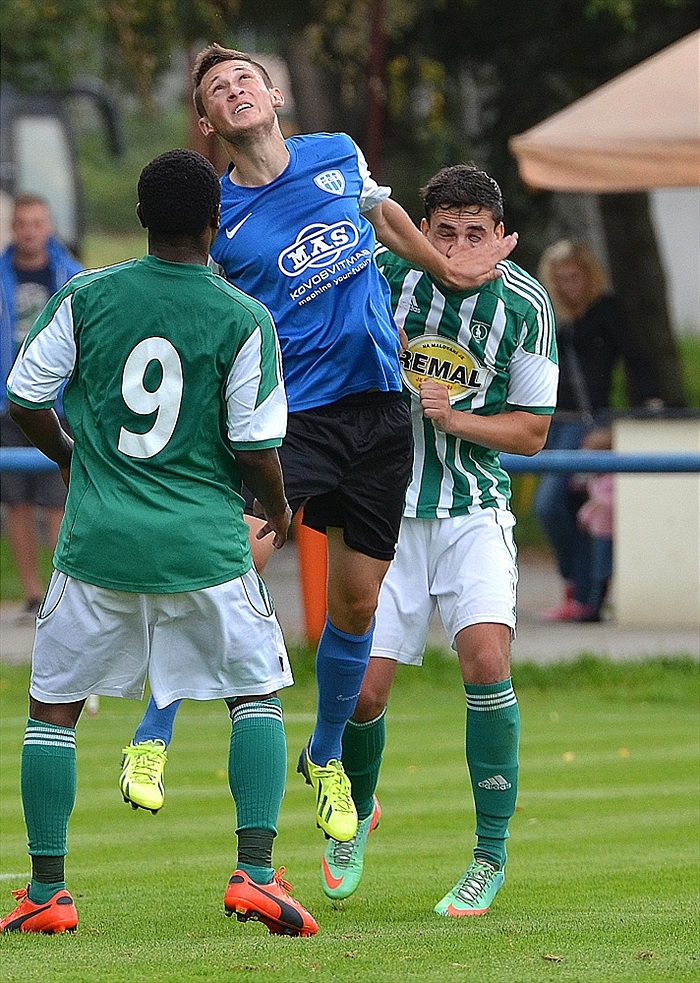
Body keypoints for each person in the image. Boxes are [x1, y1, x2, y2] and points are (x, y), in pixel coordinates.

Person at [121, 43, 518, 842]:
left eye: (244, 79)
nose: (235, 90)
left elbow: (384, 217)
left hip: (376, 413)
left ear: (272, 95)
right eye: (216, 89)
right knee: (232, 562)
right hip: (288, 419)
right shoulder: (218, 214)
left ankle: (328, 754)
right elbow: (201, 309)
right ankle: (153, 733)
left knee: (356, 602)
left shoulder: (336, 155)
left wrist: (444, 265)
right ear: (208, 122)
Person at [0, 149, 317, 938]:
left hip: (98, 540)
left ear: (142, 219)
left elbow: (24, 398)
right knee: (254, 694)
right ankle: (254, 872)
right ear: (215, 222)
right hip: (204, 544)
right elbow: (254, 445)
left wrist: (75, 456)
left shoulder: (85, 294)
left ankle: (47, 889)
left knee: (54, 708)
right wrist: (276, 505)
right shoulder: (243, 316)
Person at [319, 164, 558, 916]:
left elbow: (532, 430)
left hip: (471, 510)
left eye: (475, 234)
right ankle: (353, 813)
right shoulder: (384, 274)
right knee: (362, 693)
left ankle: (490, 855)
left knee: (486, 660)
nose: (458, 247)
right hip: (382, 505)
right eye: (444, 232)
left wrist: (455, 419)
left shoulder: (525, 304)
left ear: (502, 237)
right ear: (423, 233)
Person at [534, 239, 660, 622]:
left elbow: (637, 359)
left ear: (590, 277)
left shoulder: (605, 312)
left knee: (553, 503)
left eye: (576, 277)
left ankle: (583, 589)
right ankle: (583, 593)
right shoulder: (548, 317)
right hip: (552, 423)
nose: (570, 286)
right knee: (570, 508)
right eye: (562, 280)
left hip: (587, 424)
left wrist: (647, 405)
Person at [0, 195, 82, 617]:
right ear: (14, 228)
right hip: (9, 402)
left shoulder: (72, 275)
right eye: (23, 223)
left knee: (59, 498)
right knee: (16, 500)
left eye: (38, 222)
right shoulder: (1, 276)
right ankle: (32, 593)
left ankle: (60, 586)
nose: (30, 230)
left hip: (60, 400)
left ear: (48, 226)